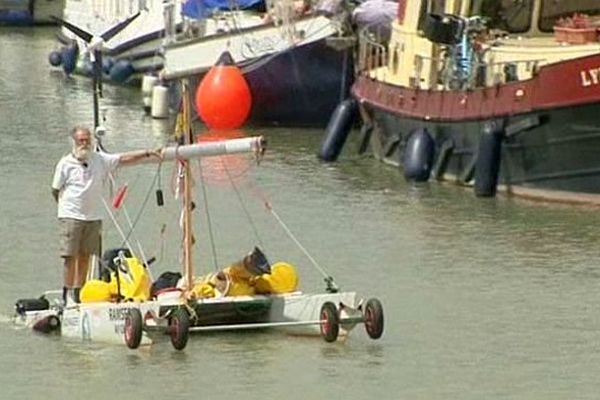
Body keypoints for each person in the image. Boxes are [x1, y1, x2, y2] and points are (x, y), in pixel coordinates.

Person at [51, 126, 162, 305]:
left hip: (93, 217)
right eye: (81, 141)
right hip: (71, 216)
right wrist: (66, 208)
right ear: (74, 142)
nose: (84, 144)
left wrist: (147, 152)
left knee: (86, 255)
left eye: (87, 140)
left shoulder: (100, 159)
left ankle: (80, 291)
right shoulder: (65, 164)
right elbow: (55, 189)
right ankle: (67, 293)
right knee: (70, 256)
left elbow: (124, 158)